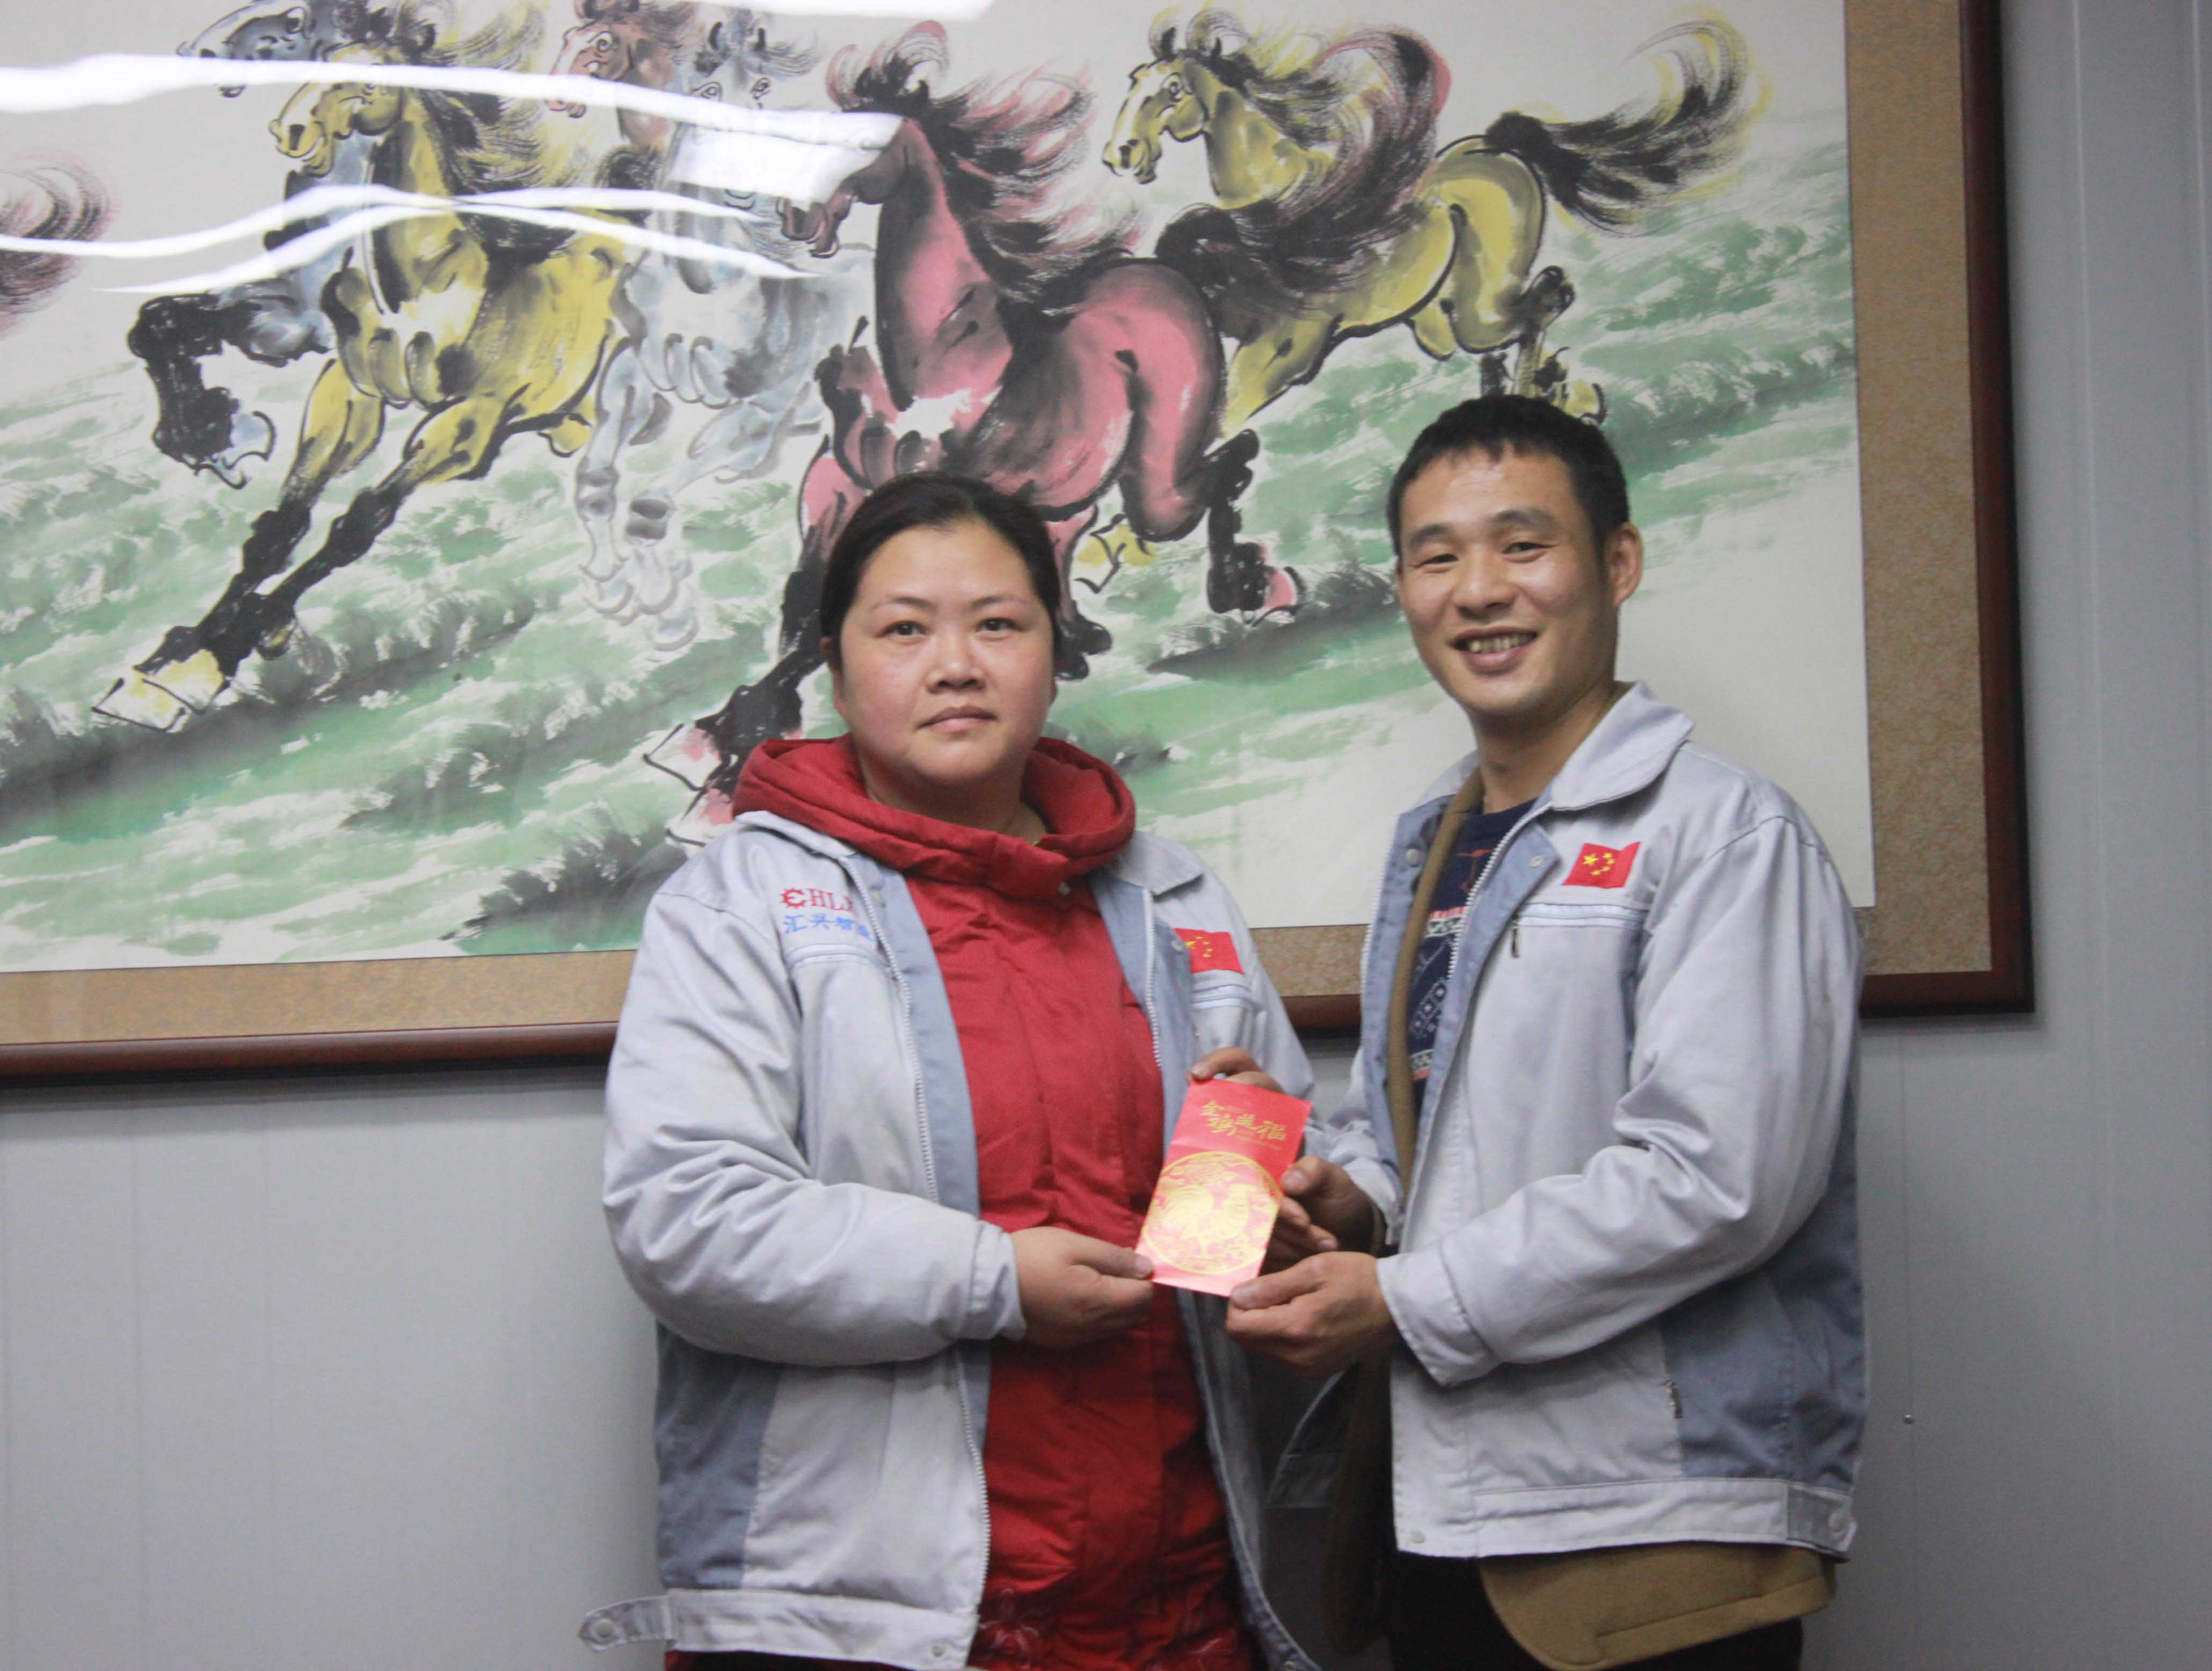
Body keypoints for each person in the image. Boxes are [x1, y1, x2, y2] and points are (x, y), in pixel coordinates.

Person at [580, 472, 1319, 1671]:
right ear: (835, 669)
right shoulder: (743, 900)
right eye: (905, 629)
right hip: (877, 1618)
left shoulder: (1174, 895)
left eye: (999, 623)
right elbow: (688, 1221)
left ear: (1054, 652)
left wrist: (1294, 1205)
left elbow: (1272, 1181)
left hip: (1175, 1594)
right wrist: (993, 1280)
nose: (957, 665)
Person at [1227, 396, 1865, 1671]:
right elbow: (1429, 1128)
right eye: (1435, 555)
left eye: (1521, 545)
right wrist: (1349, 1196)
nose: (1477, 591)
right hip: (1449, 1510)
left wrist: (1398, 1297)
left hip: (1653, 1531)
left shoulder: (1725, 834)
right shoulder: (1434, 841)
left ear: (1615, 563)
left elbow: (1717, 1179)